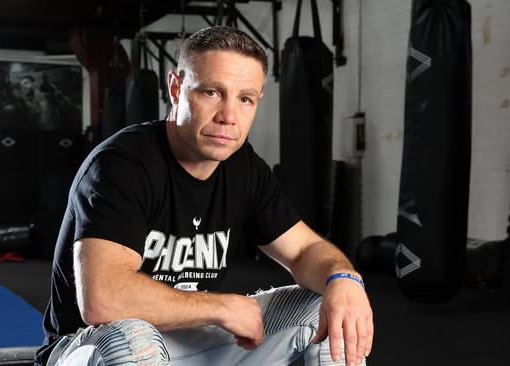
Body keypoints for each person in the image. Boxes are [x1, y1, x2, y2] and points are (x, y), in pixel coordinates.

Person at [35, 26, 373, 366]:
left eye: (245, 99)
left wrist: (342, 278)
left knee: (330, 307)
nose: (228, 116)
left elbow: (304, 250)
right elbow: (103, 299)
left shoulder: (244, 169)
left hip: (188, 342)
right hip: (90, 347)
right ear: (176, 88)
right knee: (132, 340)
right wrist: (223, 306)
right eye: (212, 92)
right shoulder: (123, 164)